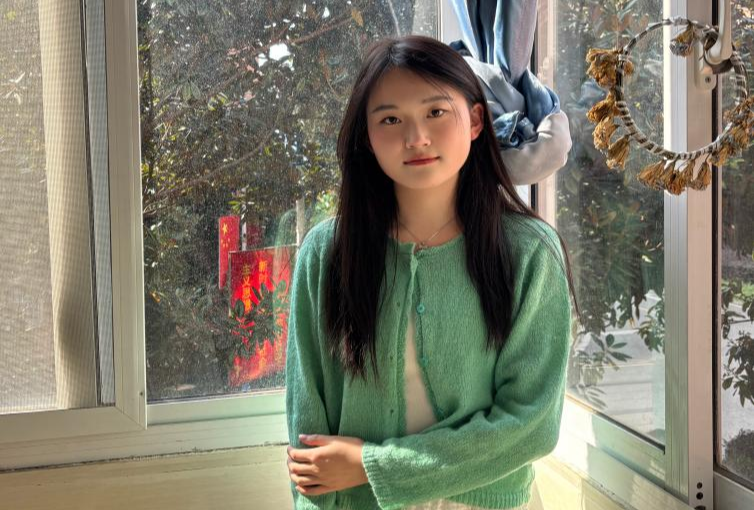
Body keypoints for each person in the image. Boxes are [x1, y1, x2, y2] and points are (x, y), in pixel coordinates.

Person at [285, 34, 581, 510]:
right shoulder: (326, 253)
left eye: (436, 112)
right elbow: (308, 435)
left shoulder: (528, 253)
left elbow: (531, 424)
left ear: (476, 120)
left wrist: (374, 465)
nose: (416, 137)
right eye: (390, 119)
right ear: (367, 136)